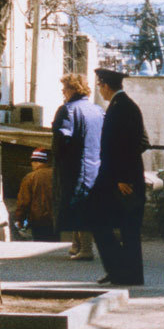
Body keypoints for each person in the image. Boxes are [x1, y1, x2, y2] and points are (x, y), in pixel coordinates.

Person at [92, 68, 149, 287]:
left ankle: (123, 271)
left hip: (121, 179)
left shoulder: (122, 108)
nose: (100, 90)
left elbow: (130, 144)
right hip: (119, 176)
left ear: (106, 85)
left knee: (116, 225)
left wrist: (124, 177)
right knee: (123, 226)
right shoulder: (123, 106)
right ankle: (120, 271)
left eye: (100, 86)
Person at [51, 72, 104, 261]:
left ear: (73, 89)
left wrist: (58, 159)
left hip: (75, 167)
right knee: (85, 204)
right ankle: (77, 245)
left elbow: (62, 139)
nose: (63, 92)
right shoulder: (97, 110)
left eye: (65, 88)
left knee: (78, 206)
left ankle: (85, 248)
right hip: (95, 165)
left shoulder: (68, 110)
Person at [14, 148, 59, 241]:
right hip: (56, 219)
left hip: (38, 221)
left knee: (41, 245)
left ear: (35, 162)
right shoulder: (57, 175)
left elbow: (24, 202)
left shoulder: (30, 177)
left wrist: (19, 219)